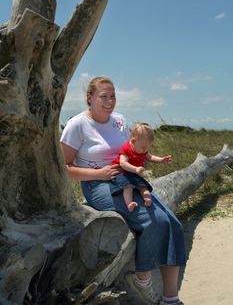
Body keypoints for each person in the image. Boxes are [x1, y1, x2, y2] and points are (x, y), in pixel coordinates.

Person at [60, 76, 186, 305]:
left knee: (173, 223)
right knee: (153, 221)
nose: (110, 101)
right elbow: (64, 169)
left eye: (113, 95)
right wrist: (98, 174)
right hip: (97, 184)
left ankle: (171, 298)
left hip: (127, 178)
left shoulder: (119, 120)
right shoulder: (77, 125)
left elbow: (130, 150)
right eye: (103, 96)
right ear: (90, 98)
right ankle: (142, 277)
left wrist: (144, 161)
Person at [111, 122, 172, 212]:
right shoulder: (126, 149)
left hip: (134, 173)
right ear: (133, 141)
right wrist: (135, 169)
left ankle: (147, 199)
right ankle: (129, 204)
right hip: (122, 173)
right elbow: (123, 163)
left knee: (143, 186)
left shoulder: (142, 149)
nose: (145, 150)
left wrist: (161, 160)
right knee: (128, 186)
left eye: (147, 147)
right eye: (143, 147)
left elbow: (150, 157)